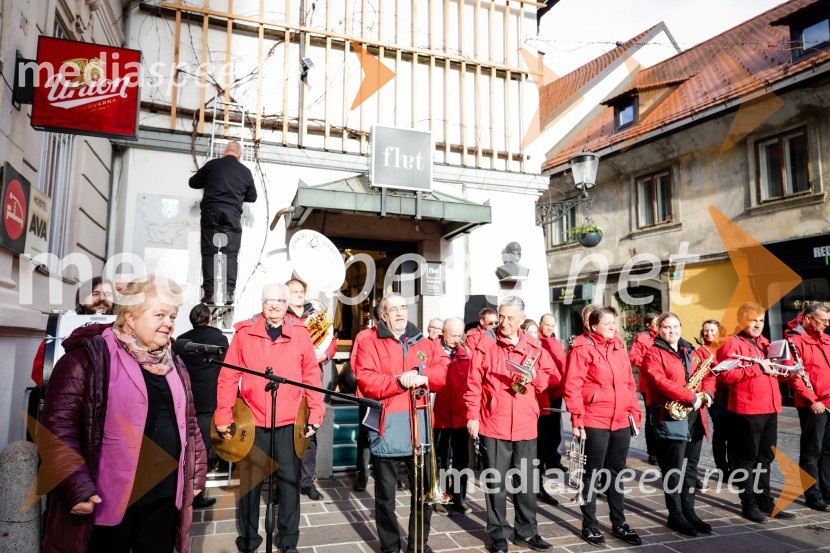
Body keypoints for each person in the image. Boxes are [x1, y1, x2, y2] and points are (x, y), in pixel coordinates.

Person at [39, 275, 206, 553]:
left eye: (173, 315)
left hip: (163, 497)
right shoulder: (89, 357)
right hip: (108, 500)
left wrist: (197, 474)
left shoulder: (173, 361)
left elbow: (188, 423)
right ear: (131, 317)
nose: (169, 323)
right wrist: (74, 485)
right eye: (160, 314)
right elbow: (58, 426)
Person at [215, 282, 324, 553]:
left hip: (289, 422)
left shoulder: (300, 333)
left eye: (279, 300)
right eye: (268, 300)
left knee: (289, 485)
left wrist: (316, 411)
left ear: (287, 304)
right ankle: (249, 540)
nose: (274, 305)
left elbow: (312, 375)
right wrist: (223, 415)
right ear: (262, 303)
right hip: (252, 422)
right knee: (250, 487)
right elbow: (228, 377)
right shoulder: (243, 332)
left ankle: (288, 541)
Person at [353, 293, 447, 553]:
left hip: (420, 429)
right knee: (385, 499)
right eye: (393, 309)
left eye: (403, 308)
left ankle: (419, 543)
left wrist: (422, 374)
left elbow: (441, 374)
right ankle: (390, 546)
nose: (400, 313)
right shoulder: (368, 340)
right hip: (388, 428)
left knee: (424, 495)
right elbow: (366, 379)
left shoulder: (425, 342)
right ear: (383, 315)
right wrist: (398, 381)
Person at [465, 296, 557, 553]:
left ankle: (527, 532)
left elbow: (548, 378)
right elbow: (473, 384)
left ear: (521, 319)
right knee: (496, 484)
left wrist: (534, 376)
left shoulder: (535, 346)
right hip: (494, 423)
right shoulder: (485, 343)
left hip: (526, 423)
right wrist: (472, 416)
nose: (504, 322)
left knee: (526, 482)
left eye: (510, 318)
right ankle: (499, 535)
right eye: (501, 317)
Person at [716, 302, 802, 523]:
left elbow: (772, 373)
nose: (757, 324)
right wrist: (757, 368)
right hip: (747, 409)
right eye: (753, 320)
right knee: (746, 460)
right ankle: (749, 503)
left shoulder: (765, 344)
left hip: (769, 408)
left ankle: (765, 501)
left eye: (761, 320)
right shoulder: (732, 344)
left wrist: (789, 374)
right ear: (742, 320)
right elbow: (724, 376)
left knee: (765, 458)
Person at [564, 306, 643, 548]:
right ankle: (589, 525)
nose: (613, 327)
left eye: (614, 323)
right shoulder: (581, 348)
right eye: (607, 323)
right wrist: (577, 419)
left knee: (616, 472)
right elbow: (573, 386)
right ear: (594, 326)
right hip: (594, 420)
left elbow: (629, 383)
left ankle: (619, 523)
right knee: (591, 474)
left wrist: (633, 411)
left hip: (620, 419)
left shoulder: (619, 346)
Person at [641, 312, 715, 536]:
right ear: (659, 330)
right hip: (671, 415)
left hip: (694, 416)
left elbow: (709, 374)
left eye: (675, 326)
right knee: (673, 469)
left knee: (690, 468)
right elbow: (658, 381)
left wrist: (708, 393)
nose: (672, 331)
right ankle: (675, 515)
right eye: (667, 327)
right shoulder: (653, 353)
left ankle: (689, 512)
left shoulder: (692, 350)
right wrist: (688, 396)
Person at [285, 278, 338, 501]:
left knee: (310, 433)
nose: (297, 294)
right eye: (293, 291)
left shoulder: (316, 315)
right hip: (287, 380)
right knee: (285, 436)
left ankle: (307, 482)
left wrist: (325, 354)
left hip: (311, 379)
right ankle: (284, 484)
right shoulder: (282, 315)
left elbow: (330, 341)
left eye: (300, 291)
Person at [189, 140, 258, 305]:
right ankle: (228, 294)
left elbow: (193, 183)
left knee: (209, 253)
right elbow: (252, 197)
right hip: (232, 215)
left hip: (210, 212)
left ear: (224, 152)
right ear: (239, 156)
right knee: (230, 255)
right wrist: (237, 196)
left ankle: (210, 294)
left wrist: (209, 182)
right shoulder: (245, 172)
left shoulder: (212, 165)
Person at [177, 303, 229, 508]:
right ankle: (197, 495)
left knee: (187, 449)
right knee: (202, 450)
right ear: (210, 319)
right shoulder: (219, 339)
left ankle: (185, 491)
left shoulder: (182, 340)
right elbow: (227, 370)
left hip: (187, 401)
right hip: (208, 402)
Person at [786, 303, 830, 511]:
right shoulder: (794, 341)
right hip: (814, 404)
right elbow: (795, 378)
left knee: (828, 450)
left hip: (829, 401)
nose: (827, 325)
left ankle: (827, 491)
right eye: (823, 321)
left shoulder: (826, 339)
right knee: (812, 451)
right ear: (809, 319)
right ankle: (813, 495)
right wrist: (812, 400)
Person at [433, 317, 473, 515]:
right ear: (443, 333)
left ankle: (458, 496)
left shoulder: (466, 354)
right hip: (439, 415)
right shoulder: (433, 350)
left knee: (461, 459)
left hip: (460, 414)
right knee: (440, 458)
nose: (457, 339)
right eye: (453, 335)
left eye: (460, 335)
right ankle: (439, 496)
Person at [537, 314, 568, 492]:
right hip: (545, 391)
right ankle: (541, 462)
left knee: (555, 429)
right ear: (541, 324)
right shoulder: (538, 342)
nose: (549, 328)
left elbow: (562, 365)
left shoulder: (556, 343)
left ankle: (553, 460)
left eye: (552, 325)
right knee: (544, 431)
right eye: (546, 325)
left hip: (557, 390)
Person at [351, 304, 380, 492]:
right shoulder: (364, 336)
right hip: (368, 395)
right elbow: (355, 365)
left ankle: (381, 472)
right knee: (365, 436)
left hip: (389, 395)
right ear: (377, 319)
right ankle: (362, 474)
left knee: (383, 435)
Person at [697, 320, 731, 475]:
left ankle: (735, 466)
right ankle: (723, 468)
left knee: (733, 433)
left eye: (712, 330)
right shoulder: (701, 350)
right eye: (705, 330)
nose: (708, 333)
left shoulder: (726, 347)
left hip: (730, 393)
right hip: (716, 395)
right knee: (720, 432)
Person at [629, 313, 659, 465]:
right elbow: (633, 357)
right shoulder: (642, 338)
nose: (659, 325)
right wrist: (650, 363)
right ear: (648, 325)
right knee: (652, 418)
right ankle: (652, 452)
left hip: (662, 383)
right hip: (647, 384)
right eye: (656, 323)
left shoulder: (663, 336)